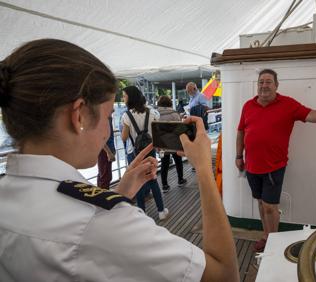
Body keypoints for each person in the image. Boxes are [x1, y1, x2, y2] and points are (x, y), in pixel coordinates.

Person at [0, 39, 238, 282]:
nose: (107, 130)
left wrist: (119, 193)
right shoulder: (103, 223)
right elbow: (224, 274)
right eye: (107, 117)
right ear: (79, 114)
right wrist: (204, 170)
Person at [235, 68, 316, 252]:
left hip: (274, 167)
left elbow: (313, 115)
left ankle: (273, 242)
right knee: (260, 203)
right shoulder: (248, 106)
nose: (264, 85)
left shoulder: (288, 105)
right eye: (261, 82)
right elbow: (241, 131)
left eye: (268, 82)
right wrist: (239, 156)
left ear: (276, 85)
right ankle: (267, 236)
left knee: (270, 207)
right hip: (252, 166)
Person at [121, 86, 169, 219]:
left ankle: (142, 212)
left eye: (124, 96)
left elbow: (124, 138)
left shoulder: (127, 115)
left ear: (130, 97)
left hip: (134, 153)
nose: (123, 98)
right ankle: (161, 211)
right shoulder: (153, 113)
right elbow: (158, 134)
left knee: (138, 181)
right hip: (149, 151)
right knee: (153, 179)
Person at [157, 96, 187, 193]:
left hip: (162, 143)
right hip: (174, 142)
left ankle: (165, 185)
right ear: (170, 103)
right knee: (178, 161)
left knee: (164, 165)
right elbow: (179, 129)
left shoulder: (156, 114)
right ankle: (180, 180)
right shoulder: (175, 114)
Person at [97, 116, 116, 189]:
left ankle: (99, 196)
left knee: (103, 175)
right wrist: (109, 152)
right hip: (104, 150)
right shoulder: (104, 118)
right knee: (105, 177)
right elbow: (100, 137)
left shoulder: (107, 117)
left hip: (106, 149)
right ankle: (103, 198)